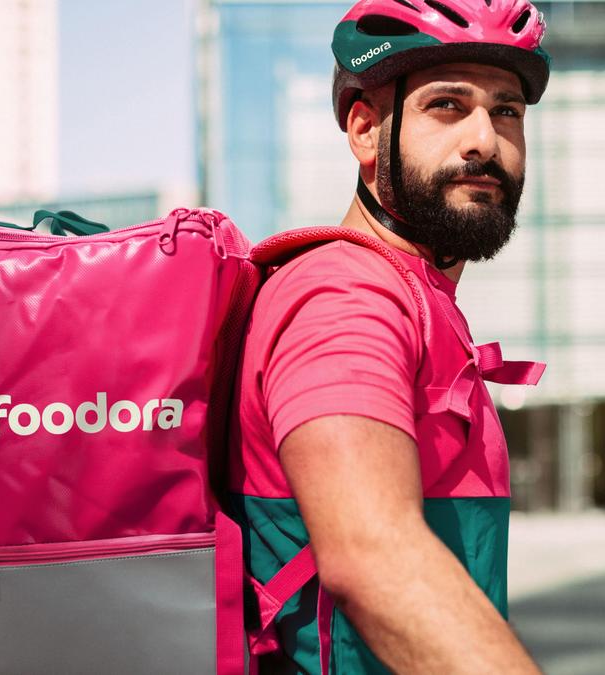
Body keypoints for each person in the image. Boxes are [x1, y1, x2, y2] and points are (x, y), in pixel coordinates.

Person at [227, 1, 551, 672]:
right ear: (366, 129)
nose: (485, 141)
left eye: (507, 111)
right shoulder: (346, 298)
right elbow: (373, 554)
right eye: (447, 106)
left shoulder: (416, 297)